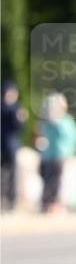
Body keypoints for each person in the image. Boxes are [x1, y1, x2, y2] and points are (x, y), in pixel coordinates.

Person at [37, 92, 76, 212]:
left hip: (57, 156)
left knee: (54, 182)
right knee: (52, 182)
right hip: (54, 156)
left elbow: (75, 138)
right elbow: (75, 138)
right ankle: (50, 204)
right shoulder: (59, 121)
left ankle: (52, 204)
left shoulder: (60, 121)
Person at [1, 80, 24, 211]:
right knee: (6, 174)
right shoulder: (14, 108)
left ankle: (9, 200)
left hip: (10, 145)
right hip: (7, 145)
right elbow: (18, 125)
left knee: (11, 174)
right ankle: (7, 200)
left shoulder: (15, 107)